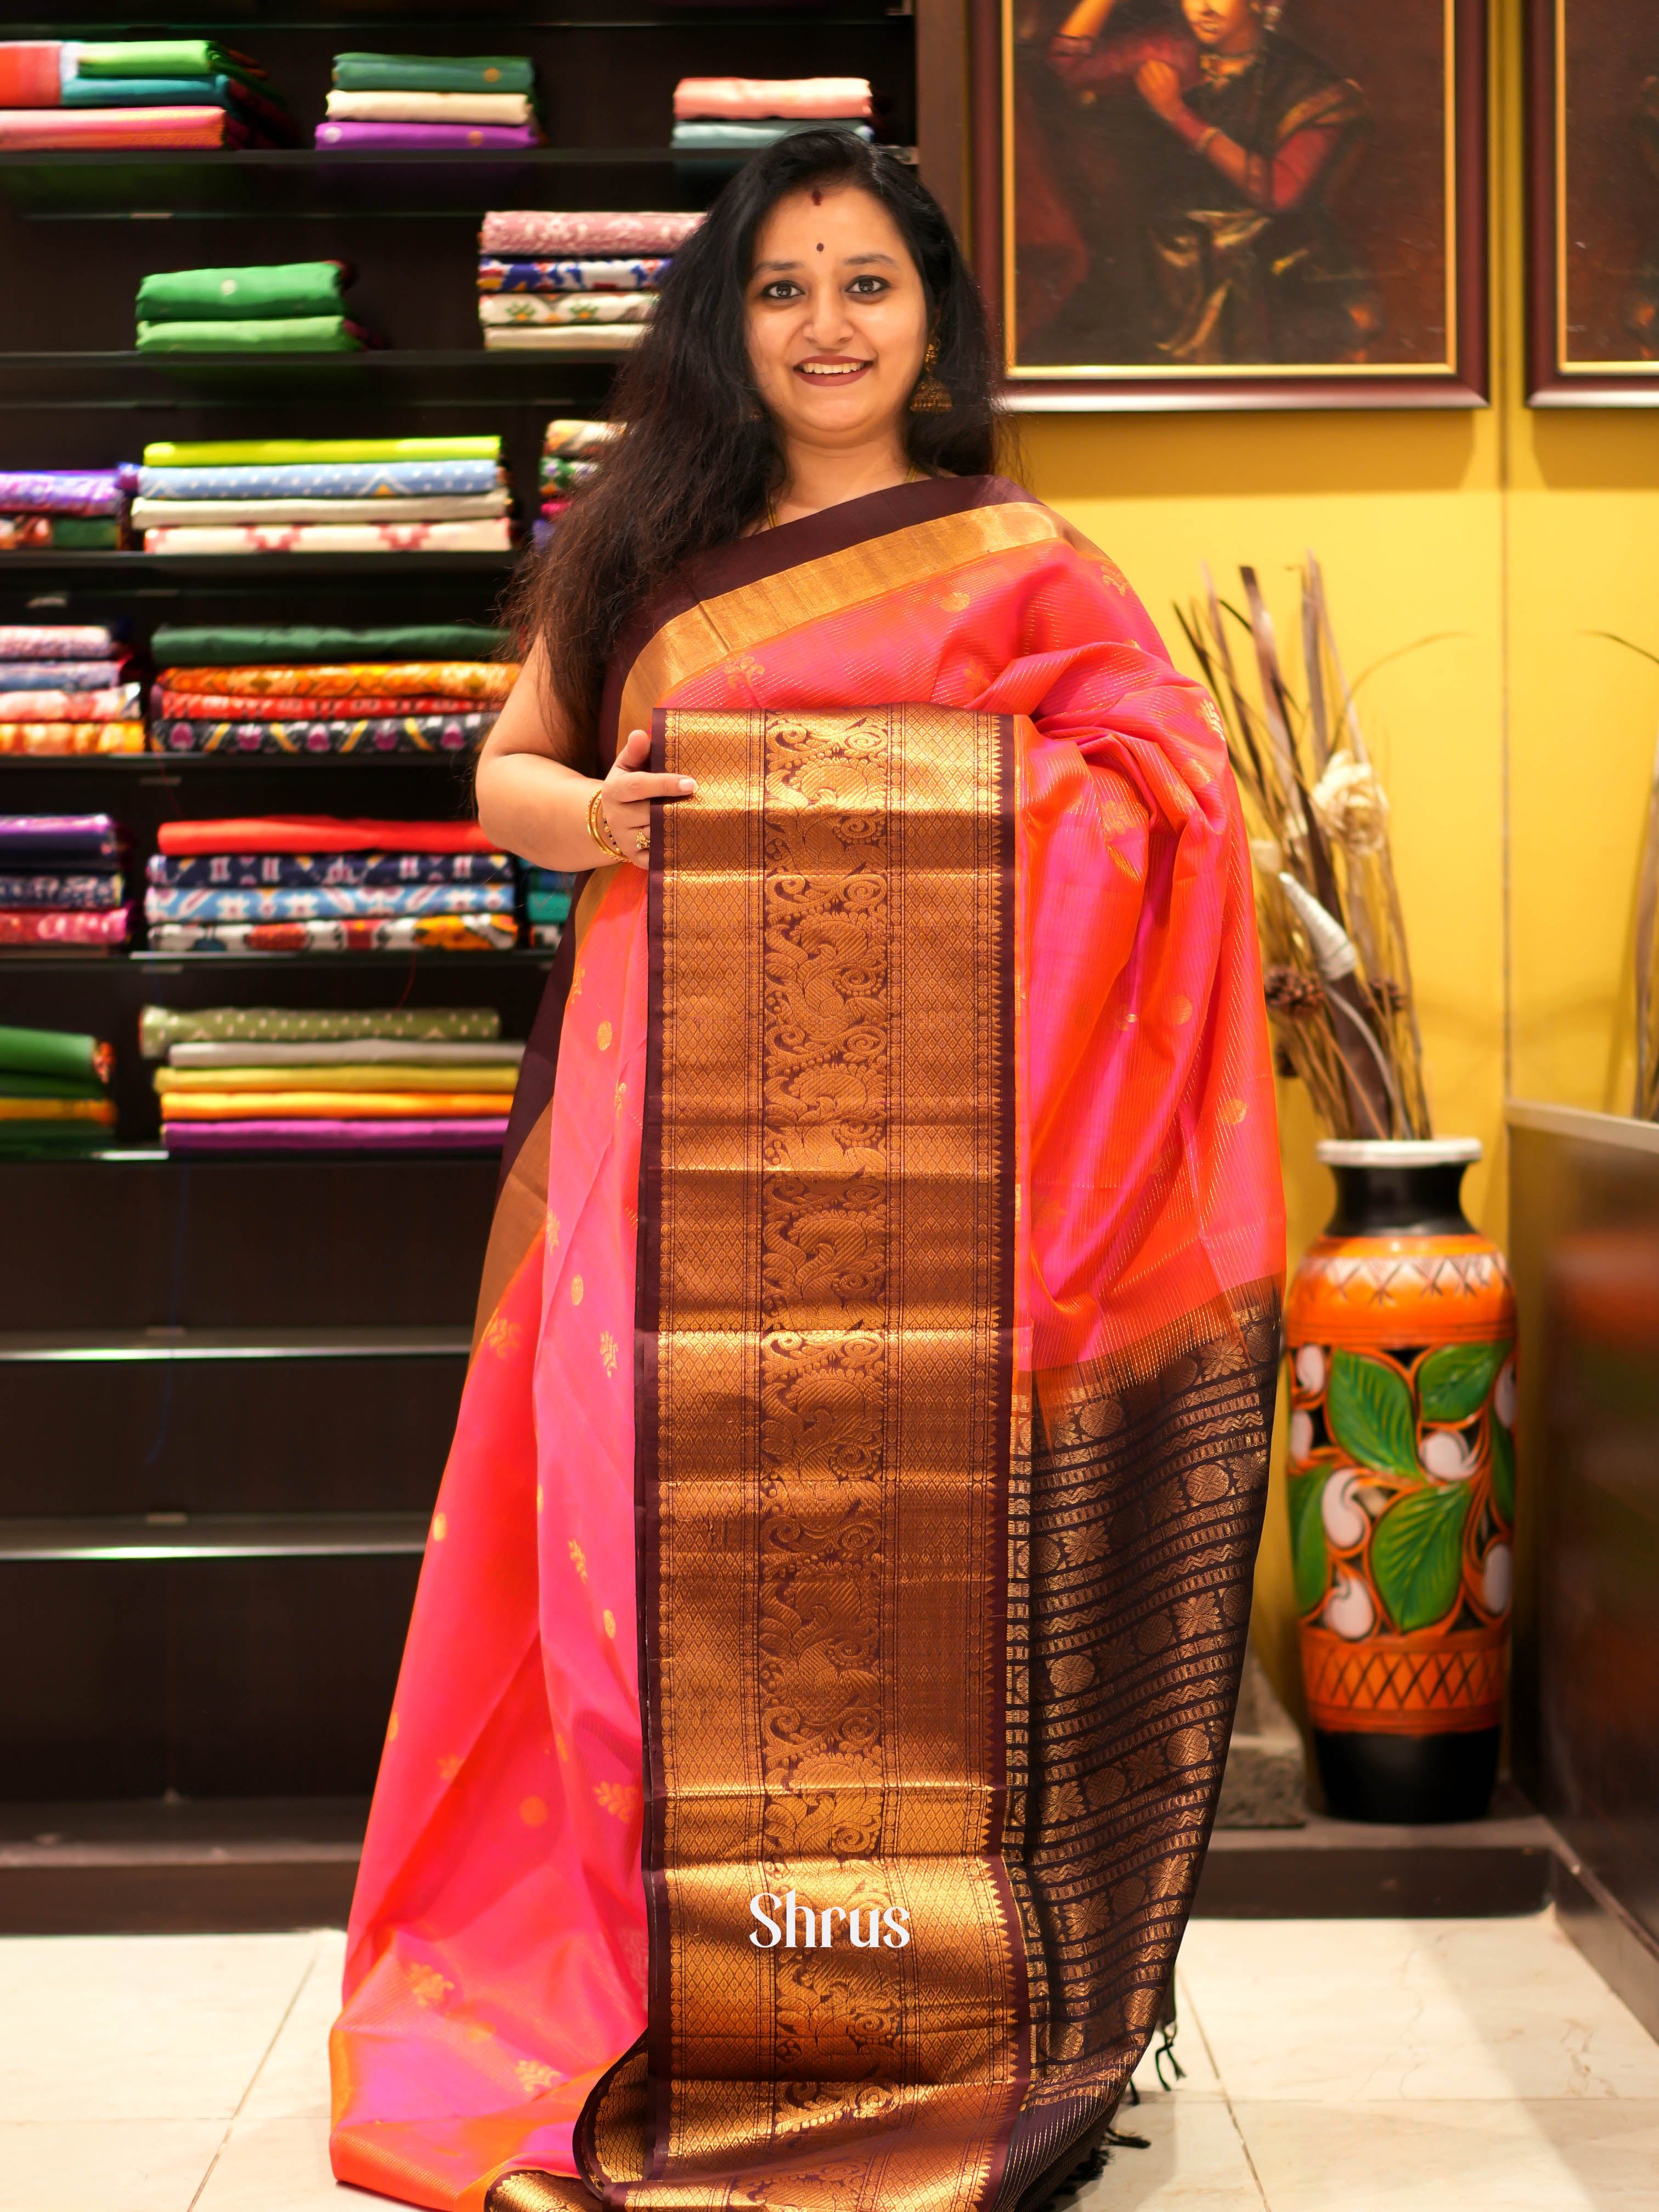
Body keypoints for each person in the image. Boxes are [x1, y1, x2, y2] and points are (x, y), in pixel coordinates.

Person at [329, 129, 1285, 2212]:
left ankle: (900, 2001)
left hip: (940, 1203)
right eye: (780, 287)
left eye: (865, 281)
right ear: (724, 321)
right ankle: (653, 1985)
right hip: (656, 1164)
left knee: (900, 1591)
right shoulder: (645, 544)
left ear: (930, 314)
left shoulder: (1014, 556)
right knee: (620, 1559)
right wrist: (589, 823)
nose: (826, 324)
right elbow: (508, 767)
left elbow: (1171, 799)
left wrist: (915, 807)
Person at [1041, 0, 1375, 364]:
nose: (1203, 9)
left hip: (1270, 264)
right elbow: (1065, 66)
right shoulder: (1170, 49)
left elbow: (1279, 192)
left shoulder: (1311, 86)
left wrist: (1177, 115)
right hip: (1169, 259)